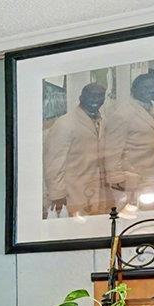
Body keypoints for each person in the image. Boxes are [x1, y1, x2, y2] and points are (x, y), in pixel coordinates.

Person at [43, 81, 110, 217]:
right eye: (92, 96)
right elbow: (53, 163)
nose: (96, 100)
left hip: (98, 188)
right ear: (81, 97)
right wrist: (57, 194)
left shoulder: (103, 120)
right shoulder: (65, 123)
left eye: (100, 96)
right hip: (73, 191)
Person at [104, 71, 154, 205]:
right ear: (134, 90)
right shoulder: (122, 113)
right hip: (130, 178)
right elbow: (112, 150)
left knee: (149, 215)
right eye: (146, 87)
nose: (152, 90)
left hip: (152, 175)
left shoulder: (153, 106)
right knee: (128, 216)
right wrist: (117, 180)